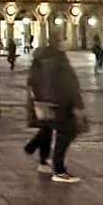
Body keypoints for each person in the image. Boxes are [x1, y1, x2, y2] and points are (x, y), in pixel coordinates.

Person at [23, 38, 87, 182]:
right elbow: (69, 85)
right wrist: (77, 105)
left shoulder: (41, 60)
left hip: (44, 102)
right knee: (65, 132)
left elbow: (32, 80)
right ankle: (58, 169)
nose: (67, 42)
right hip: (59, 103)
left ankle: (40, 156)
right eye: (64, 40)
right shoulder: (58, 61)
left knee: (48, 128)